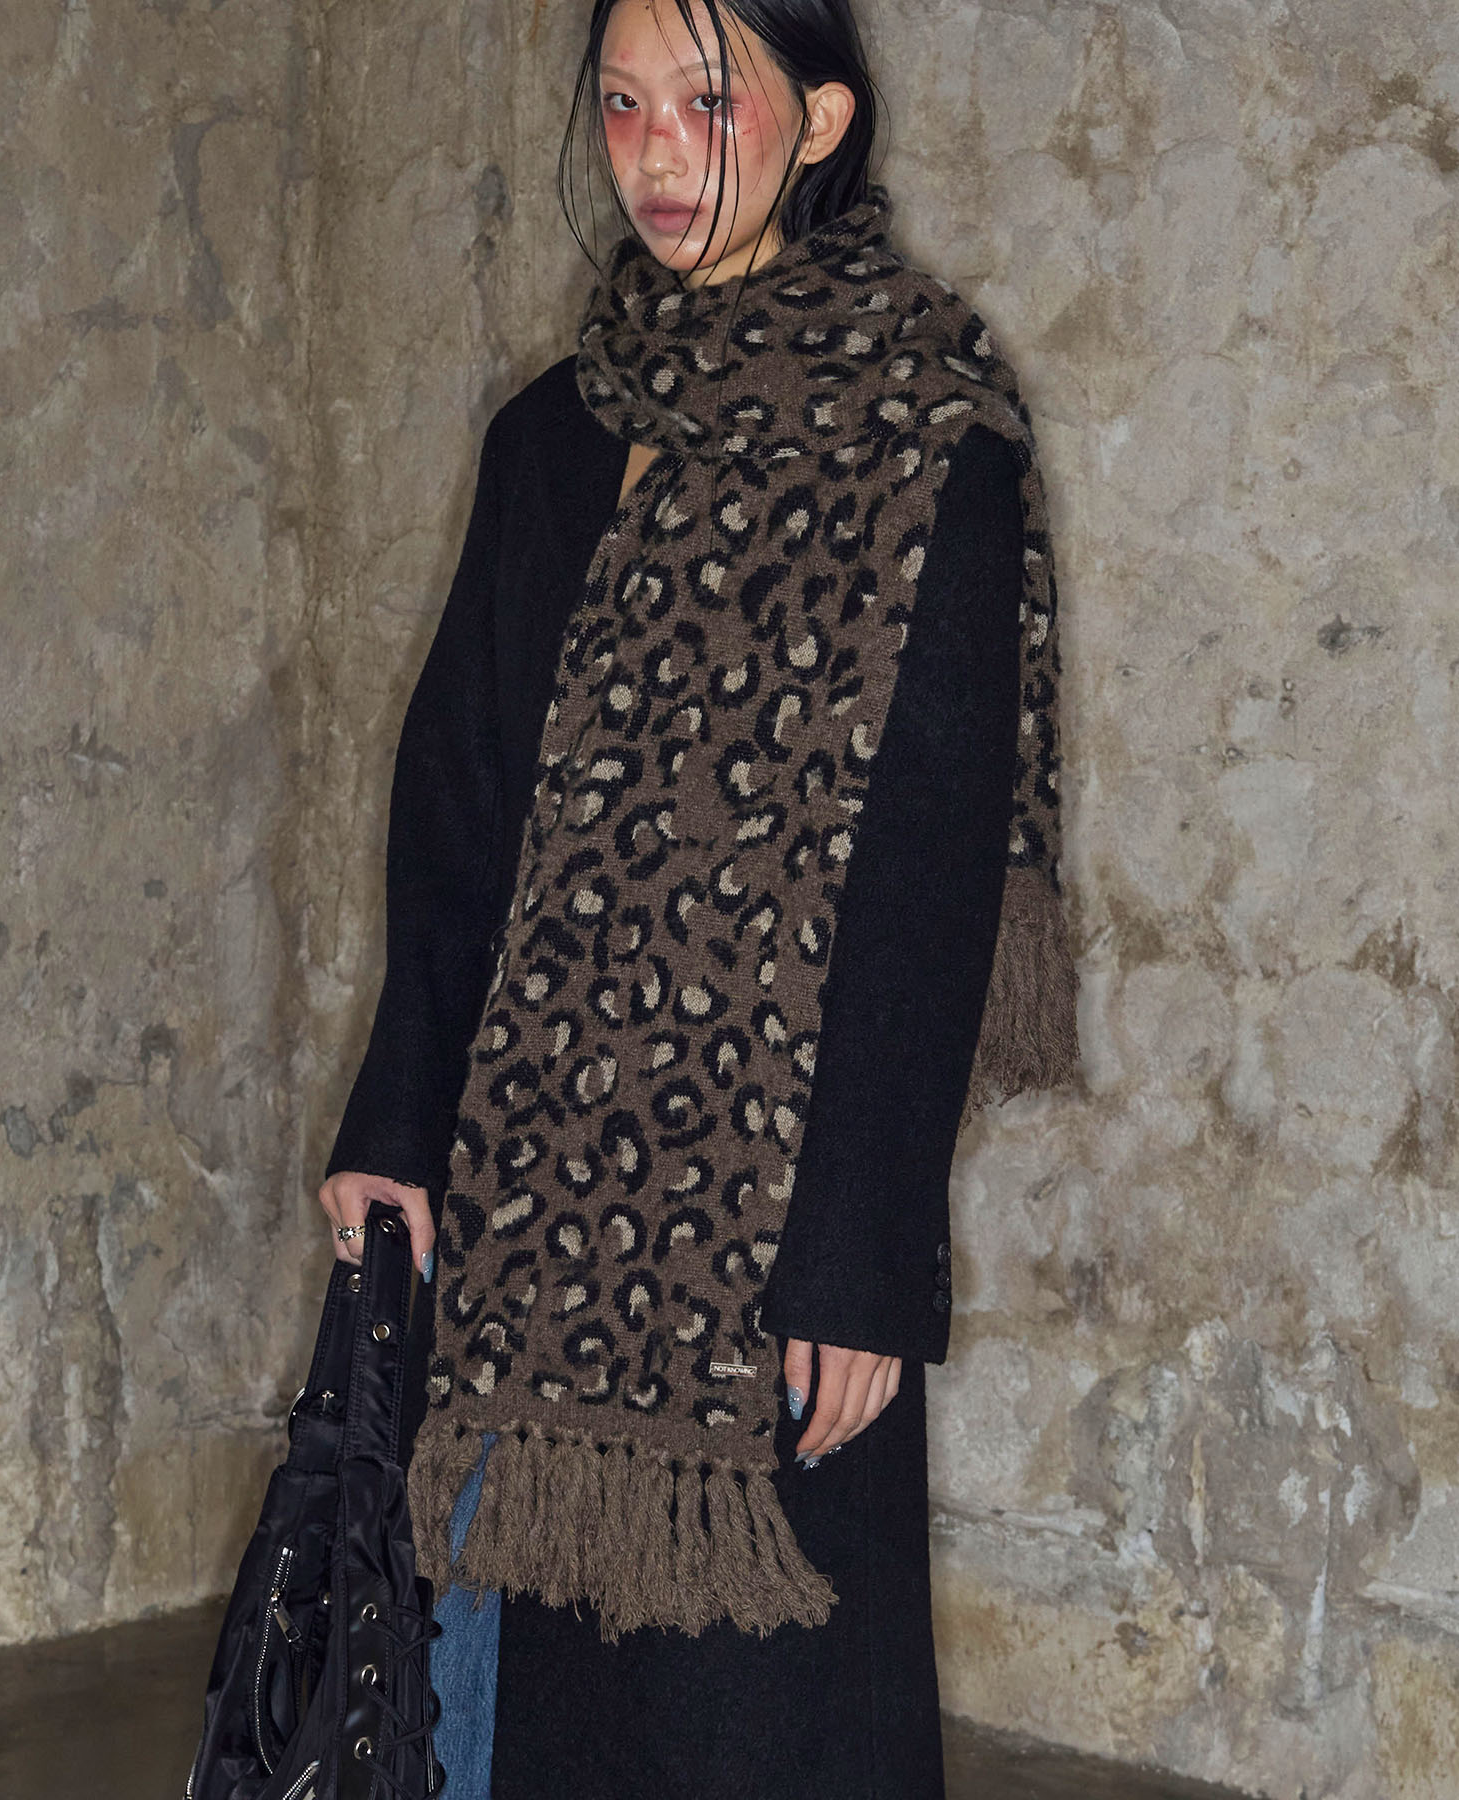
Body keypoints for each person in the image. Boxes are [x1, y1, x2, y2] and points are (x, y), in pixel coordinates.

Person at [318, 1, 1076, 1795]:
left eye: (706, 103)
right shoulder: (549, 438)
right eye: (622, 105)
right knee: (508, 1716)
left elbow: (925, 880)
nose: (655, 154)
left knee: (752, 1726)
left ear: (823, 119)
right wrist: (395, 1123)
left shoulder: (929, 433)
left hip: (773, 1232)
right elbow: (458, 814)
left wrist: (864, 1260)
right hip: (527, 1215)